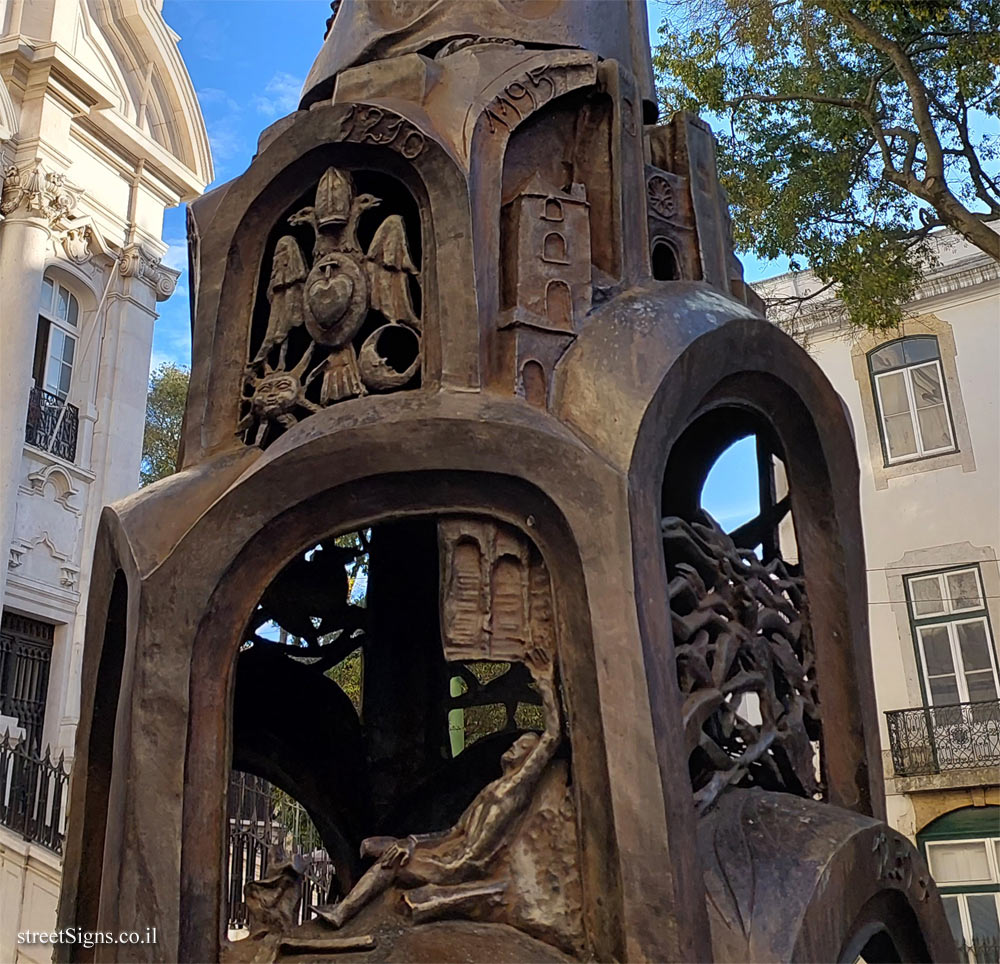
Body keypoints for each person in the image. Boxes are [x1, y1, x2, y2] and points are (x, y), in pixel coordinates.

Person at [315, 646, 561, 929]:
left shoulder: (515, 789)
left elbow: (552, 738)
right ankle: (346, 910)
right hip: (450, 852)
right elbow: (453, 832)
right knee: (374, 846)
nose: (513, 746)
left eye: (522, 746)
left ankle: (344, 913)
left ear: (528, 759)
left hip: (463, 864)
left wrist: (545, 679)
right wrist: (411, 842)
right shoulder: (492, 790)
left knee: (389, 863)